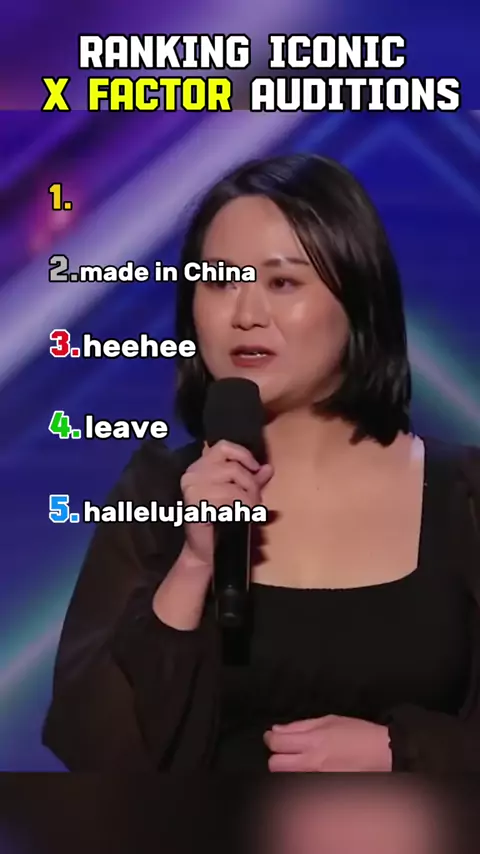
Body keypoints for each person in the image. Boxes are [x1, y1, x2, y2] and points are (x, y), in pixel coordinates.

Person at [42, 153, 480, 772]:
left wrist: (405, 752)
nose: (245, 314)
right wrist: (194, 565)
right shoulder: (156, 494)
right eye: (219, 283)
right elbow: (96, 755)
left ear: (358, 298)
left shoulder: (466, 495)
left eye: (282, 283)